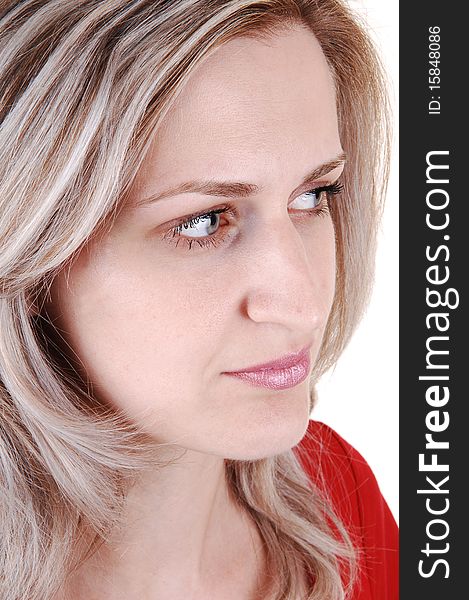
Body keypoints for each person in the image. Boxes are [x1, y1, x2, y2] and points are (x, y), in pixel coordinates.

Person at [0, 1, 397, 599]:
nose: (303, 304)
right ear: (32, 257)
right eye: (204, 221)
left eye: (314, 196)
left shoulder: (339, 499)